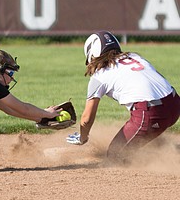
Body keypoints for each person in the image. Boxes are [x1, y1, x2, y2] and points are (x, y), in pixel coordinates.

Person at [67, 31, 180, 164]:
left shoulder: (99, 75)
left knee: (114, 157)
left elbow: (86, 119)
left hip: (151, 113)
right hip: (175, 103)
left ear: (92, 54)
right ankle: (169, 149)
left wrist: (83, 138)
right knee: (146, 134)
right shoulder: (135, 57)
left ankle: (159, 163)